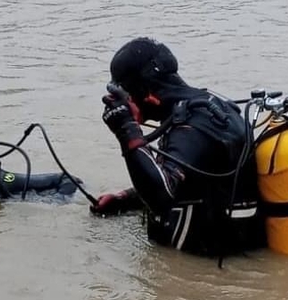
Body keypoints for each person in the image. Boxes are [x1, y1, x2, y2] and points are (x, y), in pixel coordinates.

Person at [91, 37, 267, 257]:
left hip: (206, 270)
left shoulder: (192, 124)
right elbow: (194, 182)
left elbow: (162, 196)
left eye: (123, 94)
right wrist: (126, 199)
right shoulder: (207, 107)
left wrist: (126, 129)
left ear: (145, 91)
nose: (121, 101)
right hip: (233, 247)